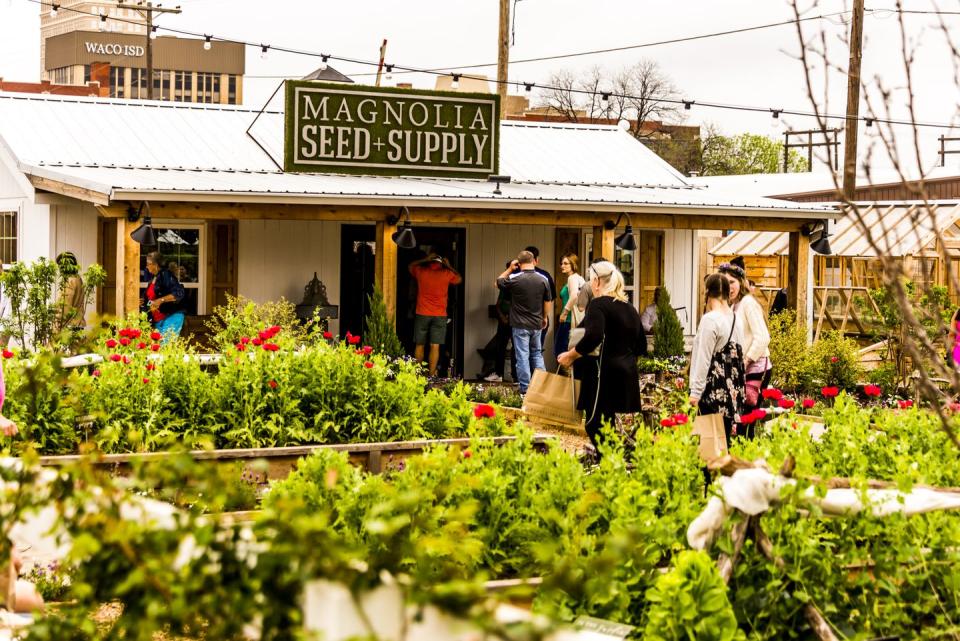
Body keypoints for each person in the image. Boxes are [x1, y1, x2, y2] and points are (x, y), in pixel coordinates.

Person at [557, 261, 646, 455]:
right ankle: (611, 463)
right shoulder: (629, 308)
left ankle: (610, 464)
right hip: (626, 374)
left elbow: (593, 336)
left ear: (596, 281)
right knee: (608, 424)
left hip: (602, 376)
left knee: (594, 424)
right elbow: (641, 345)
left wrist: (570, 356)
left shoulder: (598, 305)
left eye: (590, 281)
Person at [689, 273, 745, 444]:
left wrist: (695, 392)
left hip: (712, 391)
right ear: (728, 293)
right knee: (724, 442)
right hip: (732, 392)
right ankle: (724, 471)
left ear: (707, 293)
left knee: (708, 446)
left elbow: (703, 358)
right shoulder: (737, 320)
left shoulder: (710, 320)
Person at [718, 262, 771, 439]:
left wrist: (745, 360)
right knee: (740, 419)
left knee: (747, 418)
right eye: (725, 283)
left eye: (732, 282)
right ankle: (743, 452)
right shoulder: (733, 306)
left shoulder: (748, 303)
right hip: (741, 370)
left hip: (755, 367)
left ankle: (748, 454)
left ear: (741, 282)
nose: (729, 287)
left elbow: (763, 337)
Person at [496, 251, 553, 395]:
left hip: (520, 325)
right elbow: (547, 301)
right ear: (534, 261)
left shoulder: (515, 278)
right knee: (537, 355)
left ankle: (525, 389)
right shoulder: (543, 279)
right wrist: (544, 317)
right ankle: (542, 387)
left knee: (522, 356)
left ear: (519, 263)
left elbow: (498, 282)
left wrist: (510, 268)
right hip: (536, 324)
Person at [408, 253, 462, 377]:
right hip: (439, 315)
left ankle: (418, 374)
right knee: (435, 345)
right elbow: (459, 278)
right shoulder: (447, 273)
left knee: (420, 344)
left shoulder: (421, 271)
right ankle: (431, 375)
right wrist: (449, 266)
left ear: (430, 262)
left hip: (422, 313)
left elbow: (410, 266)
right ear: (441, 263)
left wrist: (424, 259)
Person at [141, 251, 187, 342]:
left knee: (164, 349)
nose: (146, 266)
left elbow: (179, 293)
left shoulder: (166, 275)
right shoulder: (153, 279)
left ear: (155, 265)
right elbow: (152, 301)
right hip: (158, 320)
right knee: (157, 349)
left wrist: (161, 300)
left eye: (148, 264)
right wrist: (143, 302)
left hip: (171, 317)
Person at [524, 246, 557, 347]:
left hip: (520, 319)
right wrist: (544, 316)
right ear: (536, 259)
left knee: (520, 352)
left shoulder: (515, 274)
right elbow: (549, 298)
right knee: (537, 351)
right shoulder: (544, 275)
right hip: (539, 318)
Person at [555, 254, 586, 357]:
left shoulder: (572, 278)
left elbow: (573, 296)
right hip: (574, 321)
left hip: (568, 320)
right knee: (569, 352)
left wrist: (564, 313)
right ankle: (569, 373)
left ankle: (565, 373)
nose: (562, 266)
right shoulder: (579, 278)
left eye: (565, 263)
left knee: (561, 353)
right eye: (561, 263)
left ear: (573, 264)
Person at [55, 252, 85, 333]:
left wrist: (58, 323)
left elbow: (65, 307)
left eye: (60, 266)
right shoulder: (78, 278)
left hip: (68, 326)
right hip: (77, 323)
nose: (59, 269)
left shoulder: (69, 281)